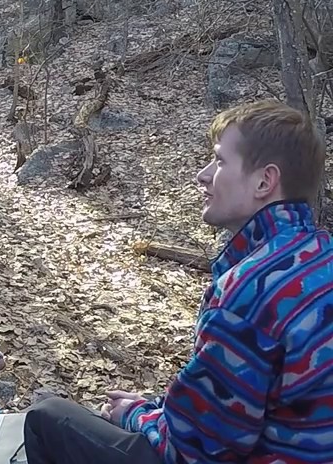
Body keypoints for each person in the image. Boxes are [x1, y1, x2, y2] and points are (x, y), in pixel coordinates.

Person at [24, 99, 333, 464]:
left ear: (264, 181)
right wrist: (157, 409)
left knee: (48, 417)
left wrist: (135, 415)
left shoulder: (250, 293)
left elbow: (193, 454)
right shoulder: (320, 253)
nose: (202, 175)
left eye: (219, 162)